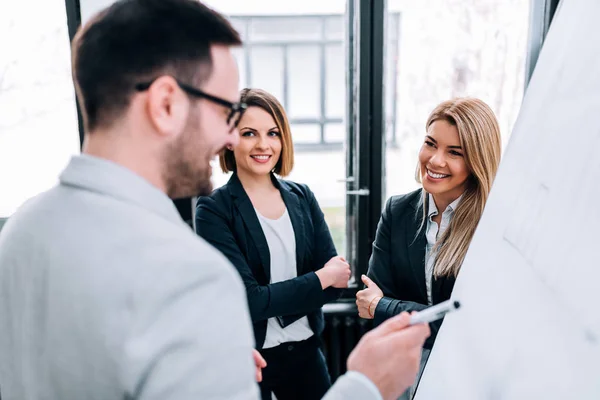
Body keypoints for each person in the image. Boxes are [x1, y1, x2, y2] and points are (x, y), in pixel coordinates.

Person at [0, 1, 430, 400]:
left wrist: (202, 363)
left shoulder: (20, 232)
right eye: (224, 110)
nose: (229, 136)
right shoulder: (191, 276)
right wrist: (365, 386)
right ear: (165, 103)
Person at [195, 88, 350, 400]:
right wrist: (319, 279)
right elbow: (249, 302)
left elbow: (339, 283)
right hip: (251, 359)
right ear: (229, 139)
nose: (263, 144)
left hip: (307, 353)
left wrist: (276, 299)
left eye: (273, 133)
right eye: (249, 133)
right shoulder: (213, 209)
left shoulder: (302, 196)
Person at [356, 98, 502, 397]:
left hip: (466, 381)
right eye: (430, 143)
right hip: (403, 377)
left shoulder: (493, 225)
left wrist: (385, 306)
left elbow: (468, 325)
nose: (435, 160)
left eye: (454, 152)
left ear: (477, 160)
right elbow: (373, 315)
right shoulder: (398, 211)